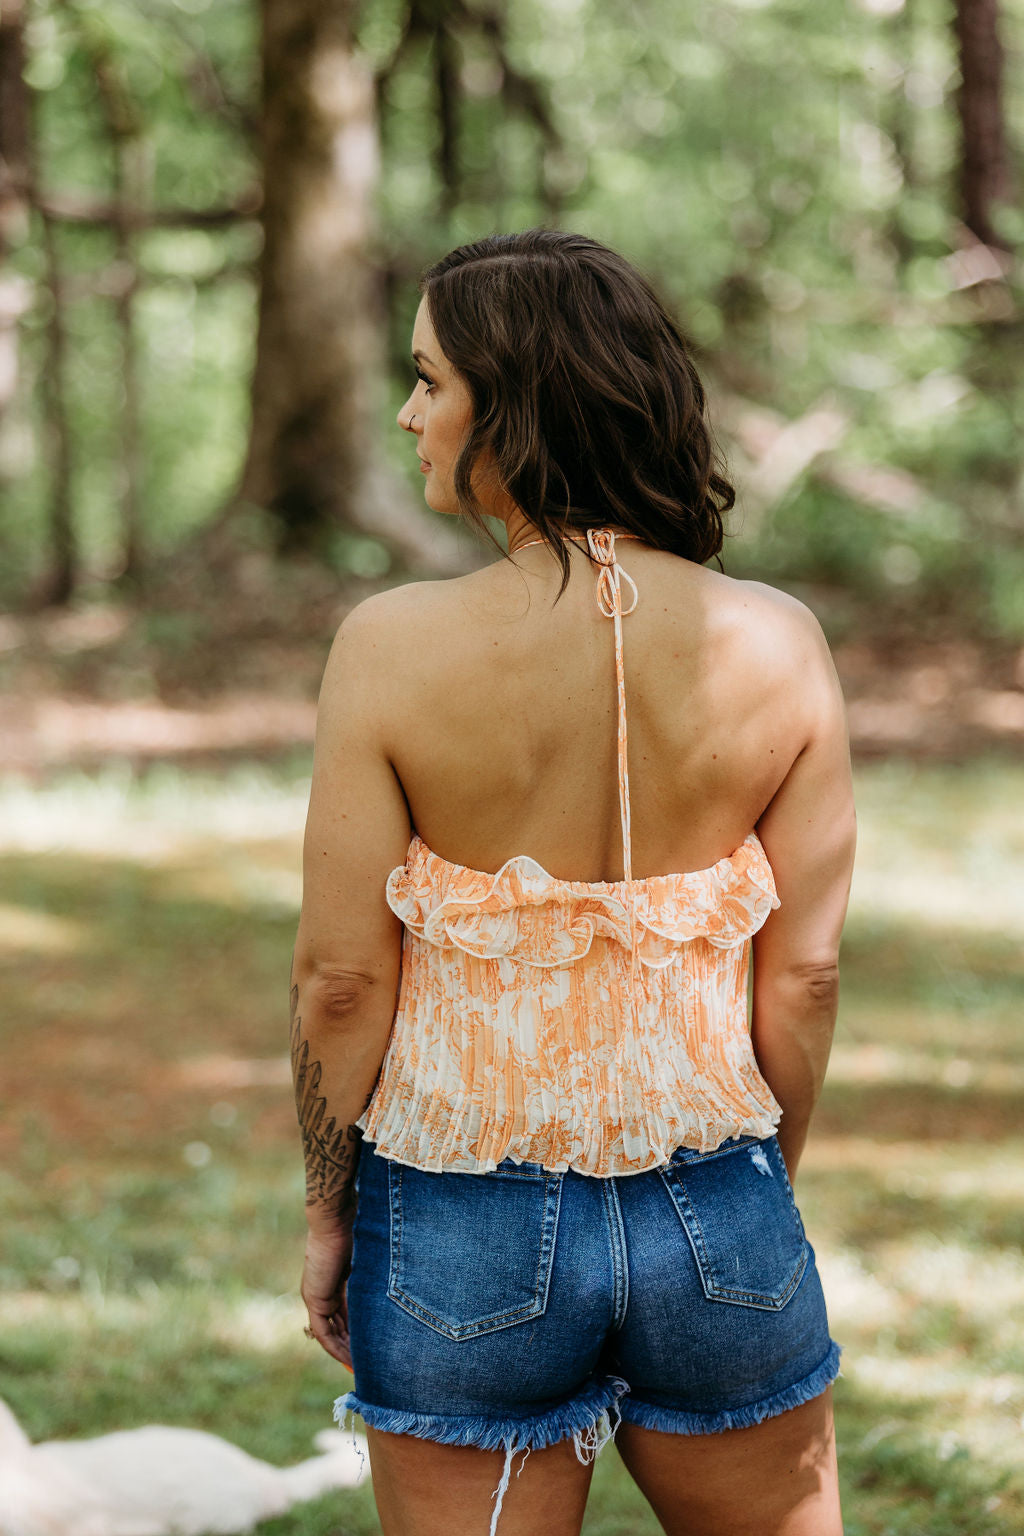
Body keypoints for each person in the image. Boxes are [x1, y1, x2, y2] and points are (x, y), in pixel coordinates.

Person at [289, 229, 856, 1536]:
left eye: (430, 381)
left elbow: (341, 982)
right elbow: (807, 978)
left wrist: (332, 1211)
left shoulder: (391, 647)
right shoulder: (780, 641)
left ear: (517, 401)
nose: (407, 411)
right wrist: (762, 1186)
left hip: (457, 1221)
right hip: (720, 1201)